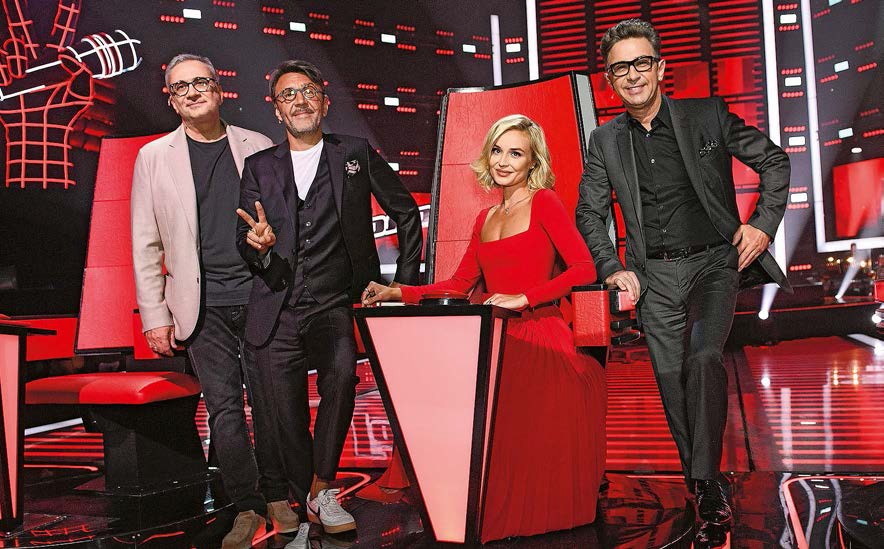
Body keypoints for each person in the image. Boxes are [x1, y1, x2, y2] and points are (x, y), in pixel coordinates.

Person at [575, 19, 791, 547]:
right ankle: (701, 478)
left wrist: (762, 225)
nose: (632, 75)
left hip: (714, 264)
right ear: (609, 80)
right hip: (653, 277)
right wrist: (611, 267)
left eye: (641, 63)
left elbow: (773, 160)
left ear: (660, 67)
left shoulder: (707, 115)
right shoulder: (604, 141)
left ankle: (706, 482)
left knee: (703, 358)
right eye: (620, 68)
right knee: (672, 382)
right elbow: (589, 211)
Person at [363, 114, 607, 543]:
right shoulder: (484, 217)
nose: (503, 161)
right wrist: (397, 291)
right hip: (492, 336)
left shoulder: (544, 202)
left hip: (539, 332)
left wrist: (524, 296)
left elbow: (584, 268)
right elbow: (460, 284)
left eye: (516, 153)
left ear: (533, 162)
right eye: (497, 150)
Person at [235, 60, 423, 535]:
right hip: (276, 304)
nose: (299, 101)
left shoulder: (353, 153)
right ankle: (308, 500)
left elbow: (406, 213)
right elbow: (245, 238)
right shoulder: (259, 166)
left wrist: (401, 285)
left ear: (324, 101)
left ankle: (322, 489)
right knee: (286, 415)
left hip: (333, 301)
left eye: (308, 92)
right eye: (288, 95)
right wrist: (258, 245)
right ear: (276, 110)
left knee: (341, 379)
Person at [131, 54, 300, 549]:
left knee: (270, 405)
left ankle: (278, 496)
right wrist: (154, 315)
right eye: (180, 87)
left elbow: (289, 224)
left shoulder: (259, 145)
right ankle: (246, 506)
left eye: (200, 82)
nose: (191, 92)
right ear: (171, 99)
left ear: (219, 89)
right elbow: (145, 243)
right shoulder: (153, 157)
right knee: (225, 411)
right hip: (199, 307)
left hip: (260, 294)